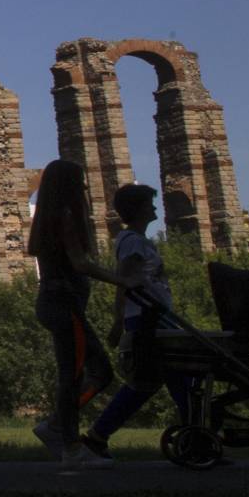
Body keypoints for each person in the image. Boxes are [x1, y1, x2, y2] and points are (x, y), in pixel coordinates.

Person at [27, 158, 139, 470]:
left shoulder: (51, 217)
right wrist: (122, 279)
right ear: (68, 187)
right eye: (80, 183)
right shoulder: (63, 216)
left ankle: (56, 426)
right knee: (73, 375)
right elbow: (80, 263)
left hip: (60, 304)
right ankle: (70, 446)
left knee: (99, 371)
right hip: (64, 305)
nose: (86, 188)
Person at [83, 183, 192, 455]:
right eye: (149, 203)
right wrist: (118, 322)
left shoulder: (137, 240)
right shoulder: (132, 242)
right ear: (139, 209)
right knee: (176, 375)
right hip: (148, 321)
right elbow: (124, 282)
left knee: (148, 383)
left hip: (154, 319)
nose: (155, 207)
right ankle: (195, 436)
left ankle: (98, 436)